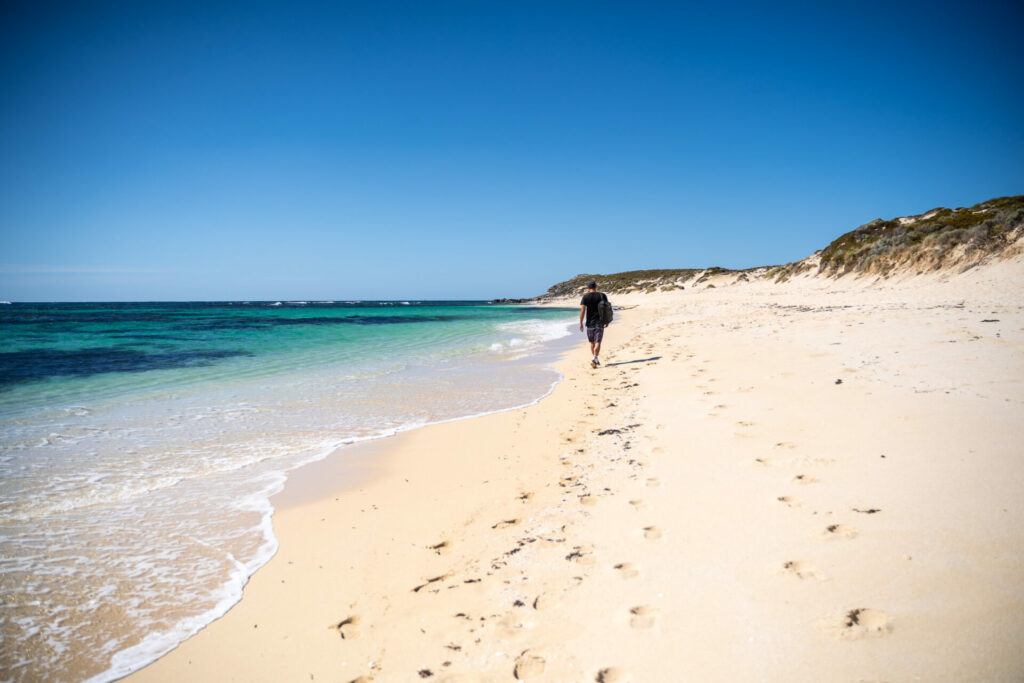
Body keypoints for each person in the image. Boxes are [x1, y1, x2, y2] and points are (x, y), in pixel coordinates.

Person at [579, 280, 609, 368]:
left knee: (592, 343)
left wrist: (581, 322)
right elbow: (606, 308)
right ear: (596, 287)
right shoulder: (602, 295)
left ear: (588, 288)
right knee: (598, 342)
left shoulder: (585, 297)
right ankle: (595, 358)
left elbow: (582, 310)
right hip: (600, 322)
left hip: (590, 323)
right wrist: (607, 320)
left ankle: (594, 358)